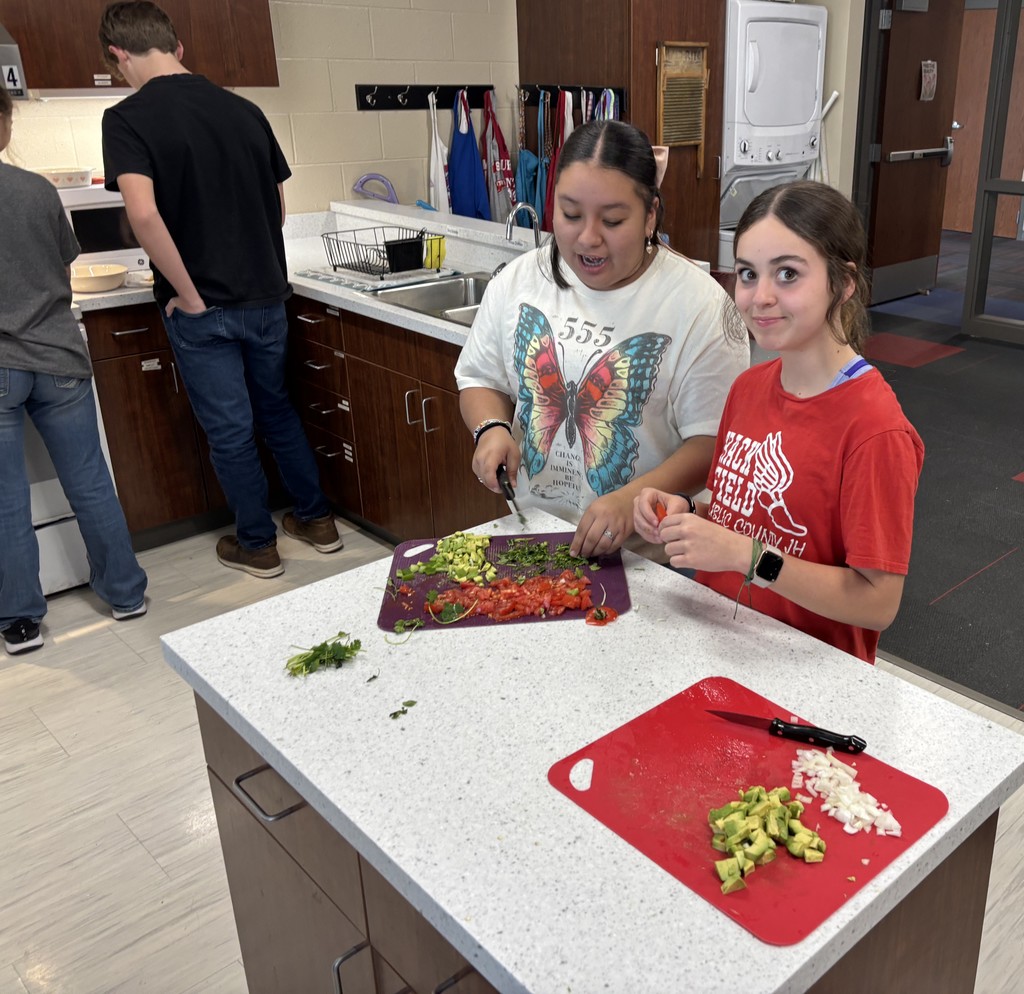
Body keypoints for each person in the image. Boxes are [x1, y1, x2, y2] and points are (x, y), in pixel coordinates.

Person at [98, 0, 341, 579]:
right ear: (178, 48)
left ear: (117, 55)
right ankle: (317, 520)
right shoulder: (244, 109)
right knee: (278, 411)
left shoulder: (126, 118)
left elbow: (144, 215)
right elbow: (277, 207)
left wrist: (188, 294)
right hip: (266, 297)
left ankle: (257, 544)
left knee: (231, 432)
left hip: (203, 308)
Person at [634, 180, 924, 663]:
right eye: (748, 274)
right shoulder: (749, 388)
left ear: (844, 282)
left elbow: (877, 602)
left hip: (805, 675)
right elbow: (747, 522)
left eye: (787, 274)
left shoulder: (875, 430)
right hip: (717, 645)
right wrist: (686, 516)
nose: (760, 296)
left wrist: (745, 558)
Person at [456, 120, 749, 559]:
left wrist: (631, 501)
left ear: (650, 214)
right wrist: (491, 428)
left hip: (646, 559)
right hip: (534, 537)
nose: (588, 237)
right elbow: (480, 377)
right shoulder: (521, 280)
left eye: (612, 220)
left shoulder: (699, 305)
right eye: (571, 214)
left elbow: (713, 443)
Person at [0, 85, 148, 655]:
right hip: (59, 354)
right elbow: (66, 259)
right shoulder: (36, 189)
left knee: (6, 497)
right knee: (89, 480)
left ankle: (19, 622)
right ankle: (126, 593)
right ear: (6, 125)